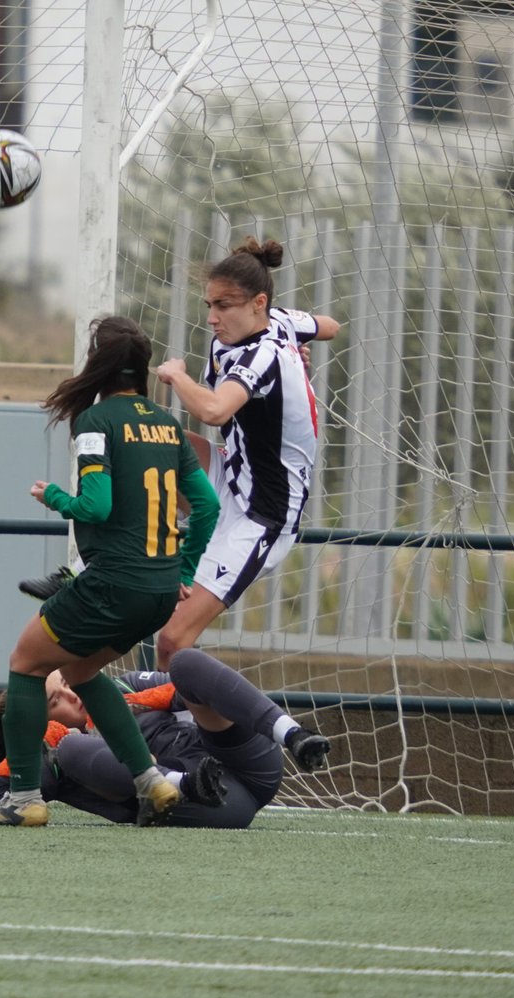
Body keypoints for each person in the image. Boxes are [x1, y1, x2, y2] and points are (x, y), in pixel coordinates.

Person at [0, 315, 220, 828]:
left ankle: (23, 798)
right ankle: (150, 780)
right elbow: (206, 506)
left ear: (100, 363)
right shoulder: (168, 425)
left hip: (113, 582)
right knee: (83, 671)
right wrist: (184, 568)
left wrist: (54, 497)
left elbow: (95, 506)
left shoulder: (97, 423)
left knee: (26, 662)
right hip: (159, 590)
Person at [149, 237, 338, 768]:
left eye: (224, 305)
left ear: (256, 303)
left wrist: (177, 375)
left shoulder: (260, 353)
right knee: (143, 440)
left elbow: (212, 410)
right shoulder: (276, 320)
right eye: (208, 304)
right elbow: (329, 325)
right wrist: (305, 343)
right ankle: (127, 557)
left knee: (172, 640)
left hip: (262, 514)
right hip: (233, 474)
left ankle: (191, 748)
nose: (212, 316)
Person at [0, 648, 287, 830]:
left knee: (188, 661)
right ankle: (181, 785)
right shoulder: (54, 756)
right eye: (55, 702)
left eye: (66, 685)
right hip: (215, 805)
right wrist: (31, 742)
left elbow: (193, 687)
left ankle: (292, 733)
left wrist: (128, 704)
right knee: (73, 747)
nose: (72, 697)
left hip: (248, 762)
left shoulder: (121, 685)